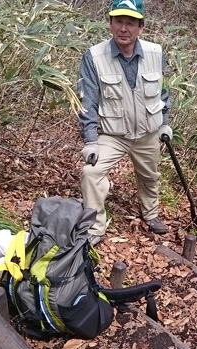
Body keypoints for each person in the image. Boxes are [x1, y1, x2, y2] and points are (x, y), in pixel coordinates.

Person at [76, 0, 172, 245]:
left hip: (148, 132)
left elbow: (163, 92)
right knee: (91, 173)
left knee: (150, 177)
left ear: (141, 27)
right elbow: (87, 100)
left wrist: (164, 123)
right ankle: (95, 227)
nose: (123, 28)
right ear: (110, 24)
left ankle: (151, 215)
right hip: (112, 134)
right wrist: (90, 141)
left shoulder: (156, 53)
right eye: (118, 21)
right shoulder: (94, 56)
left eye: (130, 23)